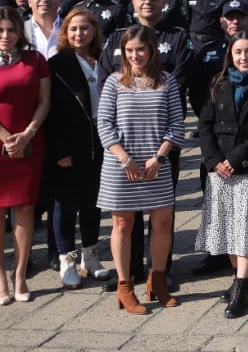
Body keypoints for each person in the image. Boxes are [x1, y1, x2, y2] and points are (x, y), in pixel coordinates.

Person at [97, 25, 186, 313]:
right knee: (123, 224)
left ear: (151, 50)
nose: (135, 55)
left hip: (155, 164)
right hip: (121, 165)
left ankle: (157, 280)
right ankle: (125, 287)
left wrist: (159, 157)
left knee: (163, 222)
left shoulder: (167, 81)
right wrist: (125, 159)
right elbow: (104, 124)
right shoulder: (114, 82)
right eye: (129, 50)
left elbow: (177, 123)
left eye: (140, 49)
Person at [195, 30, 248, 319]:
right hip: (220, 170)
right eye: (238, 52)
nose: (244, 57)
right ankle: (239, 279)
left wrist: (235, 160)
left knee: (245, 230)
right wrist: (213, 160)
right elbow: (205, 124)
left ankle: (241, 286)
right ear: (230, 55)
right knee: (227, 231)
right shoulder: (217, 83)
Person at [0, 7, 51, 304]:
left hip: (29, 143)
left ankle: (20, 274)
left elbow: (44, 102)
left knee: (25, 208)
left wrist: (27, 134)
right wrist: (7, 139)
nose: (5, 36)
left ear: (20, 32)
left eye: (11, 30)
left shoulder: (36, 60)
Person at [45, 8, 114, 289]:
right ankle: (68, 260)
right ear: (65, 32)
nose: (79, 34)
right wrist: (60, 150)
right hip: (69, 143)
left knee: (92, 202)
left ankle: (90, 256)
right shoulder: (57, 64)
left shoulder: (104, 59)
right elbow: (51, 112)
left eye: (85, 28)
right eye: (73, 29)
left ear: (94, 30)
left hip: (100, 141)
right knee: (66, 205)